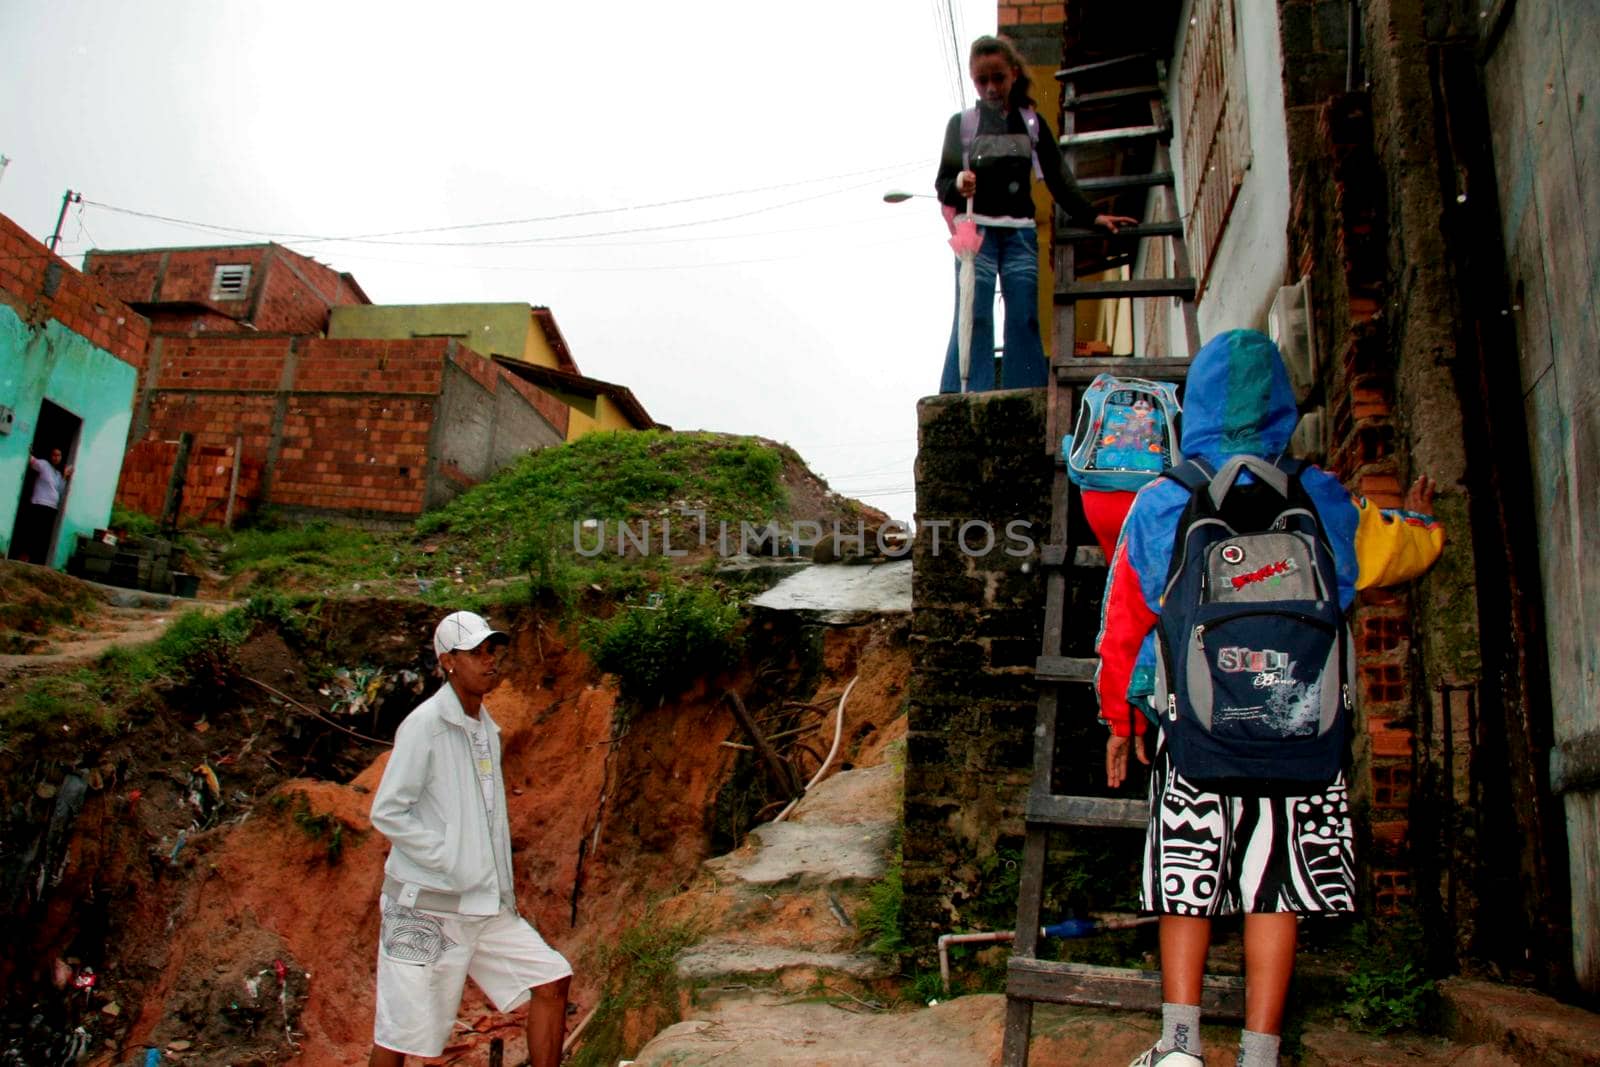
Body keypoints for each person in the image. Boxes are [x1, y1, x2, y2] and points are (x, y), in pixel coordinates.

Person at [1094, 330, 1444, 1067]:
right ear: (1282, 405)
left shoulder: (1162, 501)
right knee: (1274, 891)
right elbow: (1392, 550)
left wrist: (1121, 719)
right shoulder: (1320, 496)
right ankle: (1259, 1052)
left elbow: (1124, 620)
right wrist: (1427, 527)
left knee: (1186, 889)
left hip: (1192, 736)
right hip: (1298, 734)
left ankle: (1181, 1047)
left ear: (1197, 406)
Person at [368, 611, 572, 1067]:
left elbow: (487, 818)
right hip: (425, 909)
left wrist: (499, 887)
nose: (489, 661)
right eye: (475, 653)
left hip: (482, 905)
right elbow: (387, 812)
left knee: (552, 979)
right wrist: (451, 858)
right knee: (400, 1032)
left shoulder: (485, 729)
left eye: (490, 651)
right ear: (448, 662)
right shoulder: (425, 726)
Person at [935, 35, 1137, 393]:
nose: (991, 88)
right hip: (975, 232)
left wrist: (1091, 216)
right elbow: (943, 183)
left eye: (998, 78)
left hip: (1019, 234)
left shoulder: (1031, 124)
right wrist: (960, 183)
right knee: (973, 314)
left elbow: (1059, 178)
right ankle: (963, 396)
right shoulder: (962, 125)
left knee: (1025, 317)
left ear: (1013, 74)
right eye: (982, 81)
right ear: (973, 80)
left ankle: (1025, 394)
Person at [14, 447, 73, 564]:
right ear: (50, 456)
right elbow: (31, 460)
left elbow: (60, 491)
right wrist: (27, 449)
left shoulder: (57, 474)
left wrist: (65, 476)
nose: (56, 457)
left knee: (42, 535)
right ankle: (23, 557)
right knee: (32, 531)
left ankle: (35, 560)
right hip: (39, 504)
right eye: (54, 455)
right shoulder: (44, 465)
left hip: (51, 507)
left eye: (59, 455)